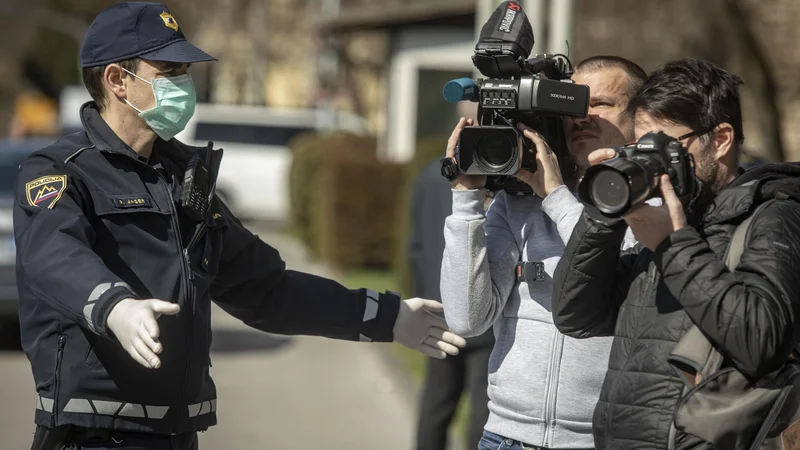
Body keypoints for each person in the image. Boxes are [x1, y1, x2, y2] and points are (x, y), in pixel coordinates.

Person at [14, 3, 465, 450]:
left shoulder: (184, 178)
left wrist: (386, 316)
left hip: (176, 437)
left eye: (185, 71)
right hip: (92, 437)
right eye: (169, 70)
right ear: (117, 80)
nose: (184, 85)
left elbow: (267, 290)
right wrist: (114, 306)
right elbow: (54, 254)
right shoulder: (62, 171)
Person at [551, 57, 800, 449]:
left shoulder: (774, 214)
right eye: (641, 145)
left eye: (664, 146)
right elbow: (575, 315)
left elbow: (761, 339)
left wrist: (672, 246)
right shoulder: (677, 217)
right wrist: (605, 213)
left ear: (720, 140)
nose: (653, 160)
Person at [439, 56, 647, 450]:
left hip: (600, 441)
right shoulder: (518, 202)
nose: (583, 117)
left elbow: (613, 271)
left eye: (601, 104)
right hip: (505, 436)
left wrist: (556, 197)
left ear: (641, 116)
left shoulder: (649, 201)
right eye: (574, 104)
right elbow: (467, 319)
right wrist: (466, 198)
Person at [410, 156, 495, 450]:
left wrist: (429, 298)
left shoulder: (428, 174)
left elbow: (416, 248)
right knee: (482, 410)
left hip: (440, 310)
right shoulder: (495, 177)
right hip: (483, 311)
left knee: (437, 402)